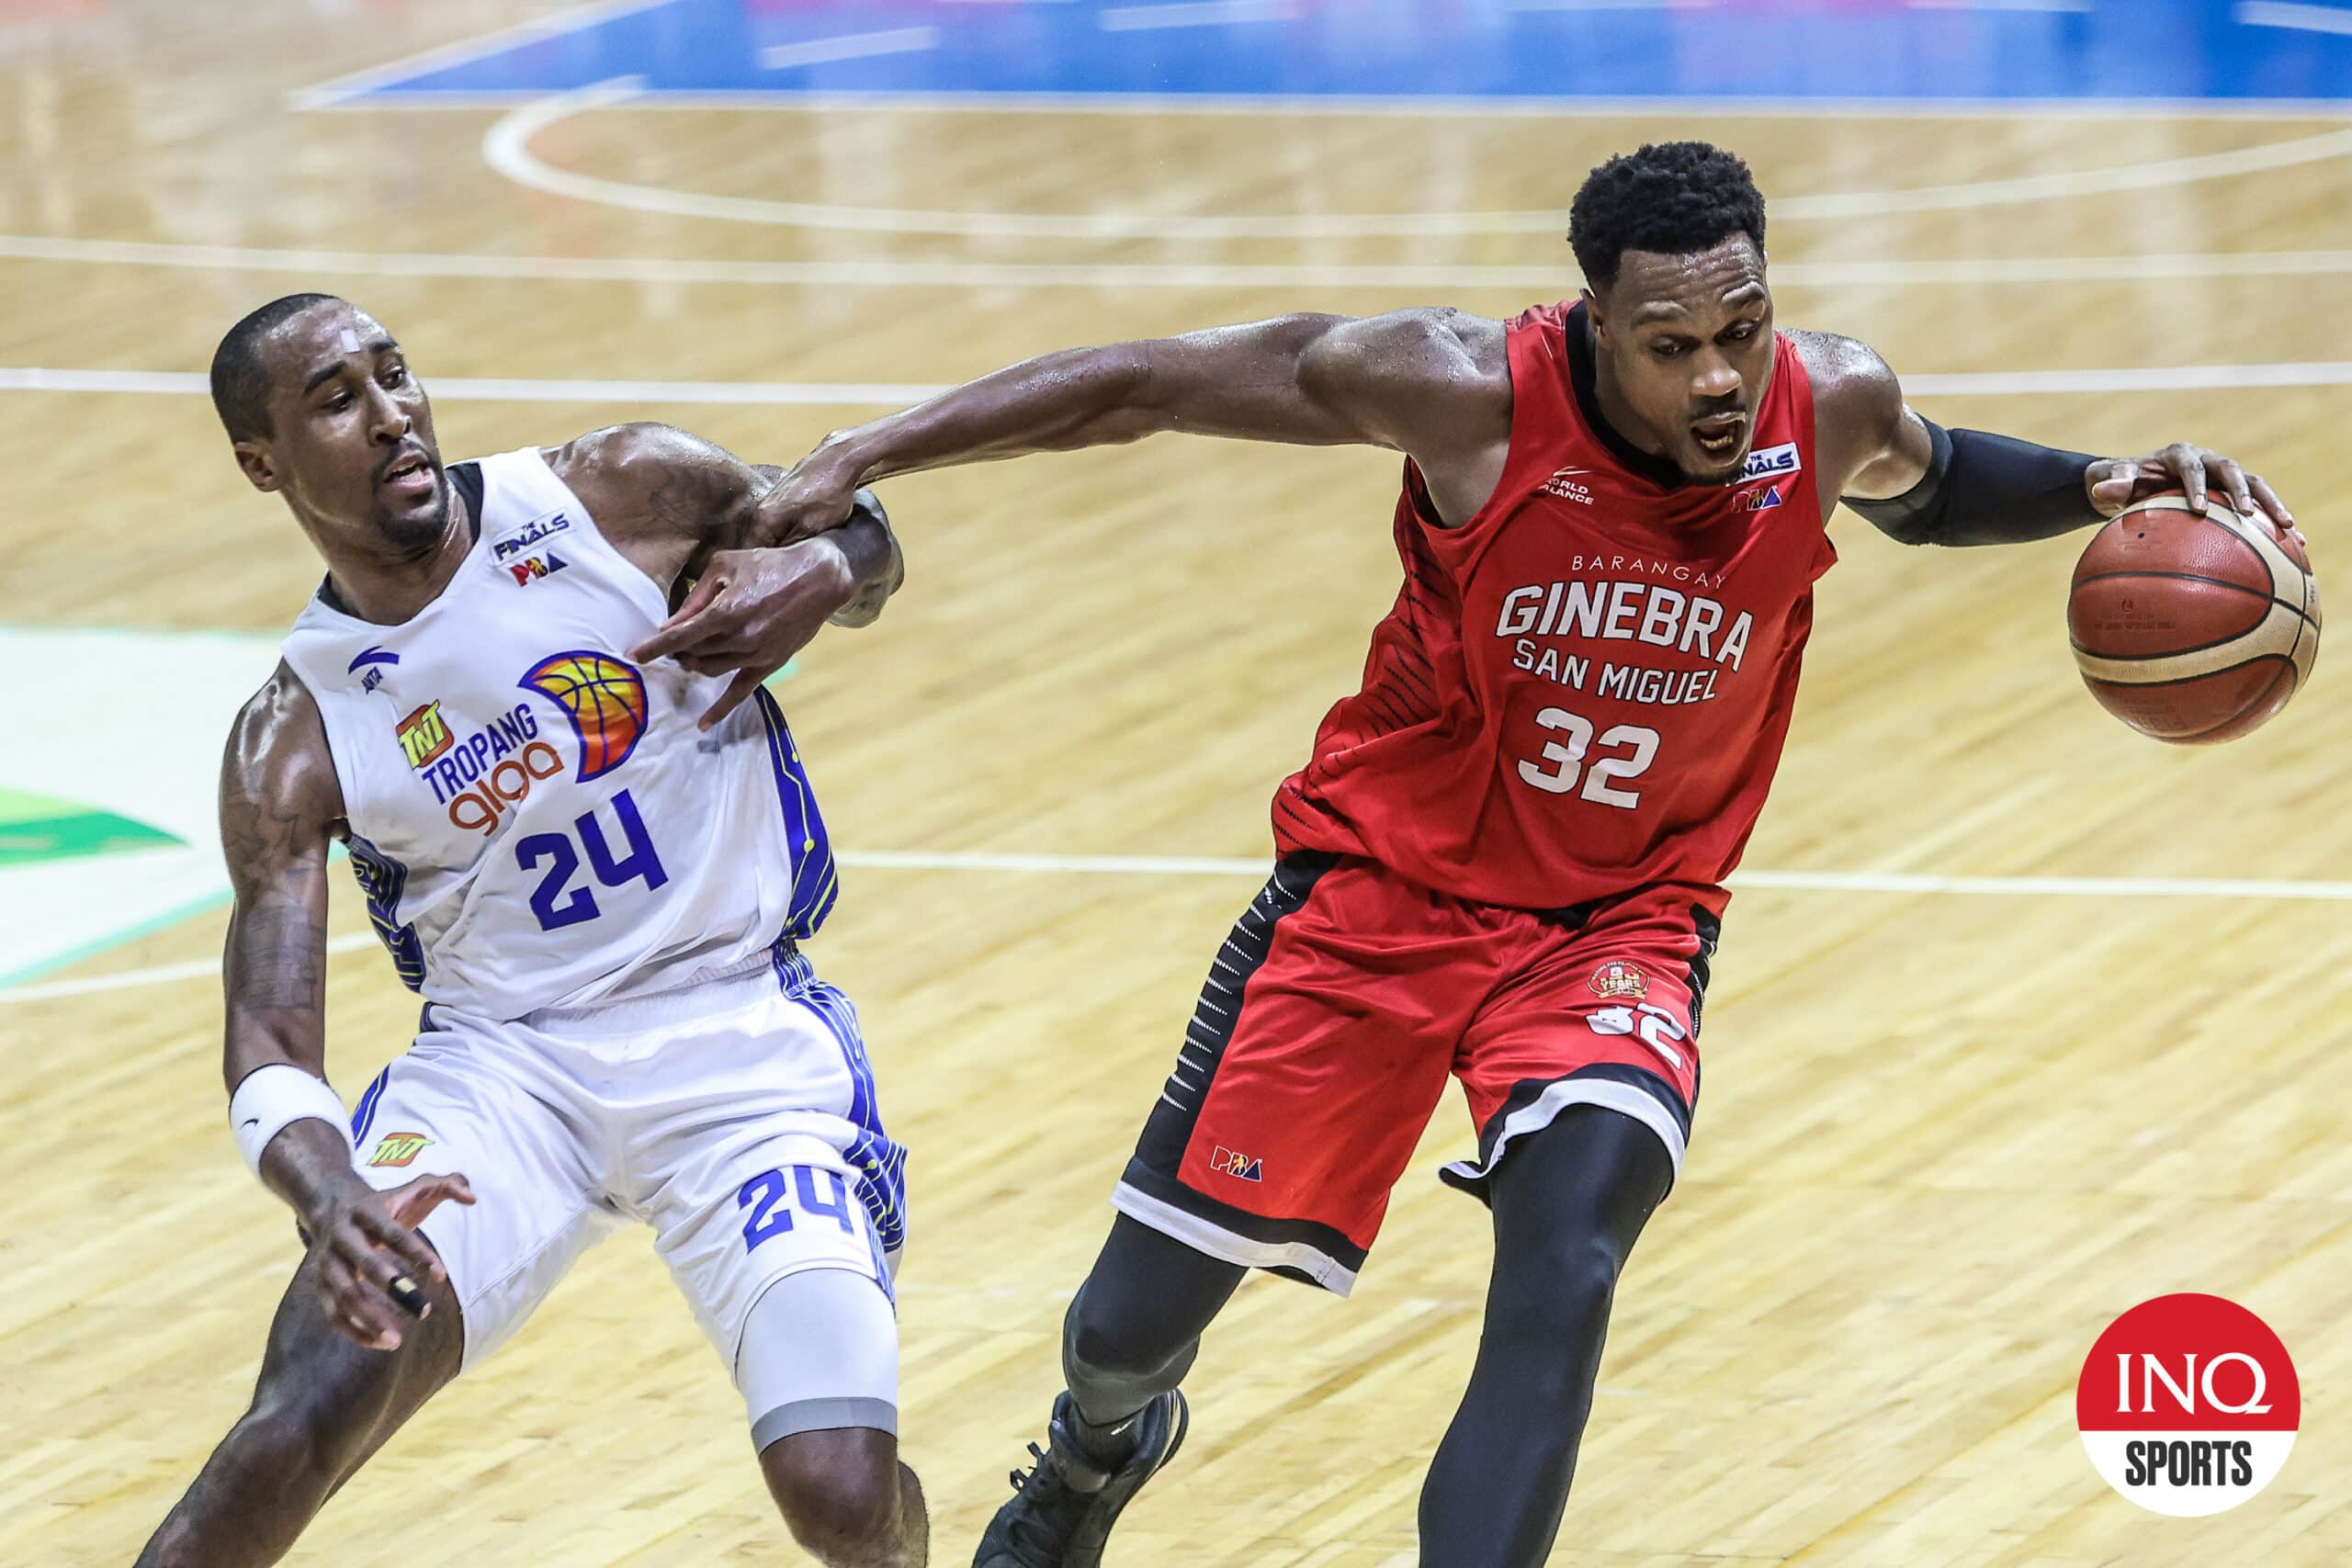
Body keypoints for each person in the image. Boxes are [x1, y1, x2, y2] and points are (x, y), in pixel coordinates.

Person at [641, 142, 2301, 1568]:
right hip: (1378, 904)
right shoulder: (1460, 395)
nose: (1719, 377)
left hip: (1622, 929)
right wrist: (868, 454)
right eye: (1672, 347)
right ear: (1598, 326)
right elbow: (1142, 383)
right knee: (1126, 1332)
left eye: (1742, 330)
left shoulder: (1828, 402)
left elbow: (1927, 487)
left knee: (1568, 1246)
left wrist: (2098, 484)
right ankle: (1091, 1456)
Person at [136, 293, 924, 1568]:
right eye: (338, 399)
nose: (393, 415)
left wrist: (831, 571)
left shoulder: (620, 493)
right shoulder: (293, 729)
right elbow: (271, 1030)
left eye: (395, 376)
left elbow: (860, 530)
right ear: (262, 464)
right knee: (295, 1426)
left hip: (733, 1035)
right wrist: (330, 1190)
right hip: (502, 1076)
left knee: (838, 1492)